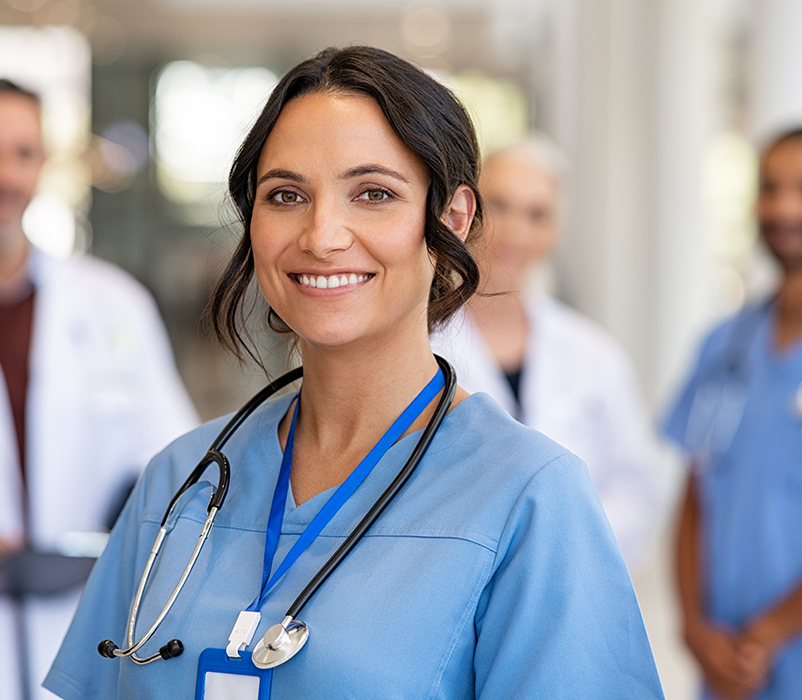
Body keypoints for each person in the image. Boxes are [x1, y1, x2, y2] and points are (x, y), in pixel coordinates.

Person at [43, 47, 664, 699]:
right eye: (285, 195)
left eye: (373, 194)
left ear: (451, 218)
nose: (322, 234)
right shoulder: (182, 482)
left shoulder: (530, 498)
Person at [0, 79, 198, 699]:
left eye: (23, 153)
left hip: (83, 620)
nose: (6, 175)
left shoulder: (112, 305)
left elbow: (178, 469)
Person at [431, 134, 664, 570]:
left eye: (538, 214)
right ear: (463, 211)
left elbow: (637, 489)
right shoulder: (419, 345)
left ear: (556, 230)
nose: (517, 230)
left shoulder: (593, 356)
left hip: (573, 576)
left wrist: (567, 550)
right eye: (499, 204)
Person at [664, 128, 802, 699]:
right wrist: (694, 627)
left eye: (800, 188)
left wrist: (766, 636)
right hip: (725, 668)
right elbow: (696, 492)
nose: (783, 207)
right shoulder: (724, 345)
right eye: (770, 187)